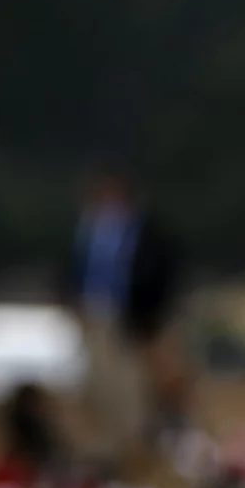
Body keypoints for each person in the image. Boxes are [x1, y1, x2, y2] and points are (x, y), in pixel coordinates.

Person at [63, 165, 185, 469]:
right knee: (98, 386)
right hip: (94, 315)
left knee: (131, 389)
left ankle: (136, 451)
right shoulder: (87, 230)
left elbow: (159, 272)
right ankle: (109, 450)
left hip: (131, 319)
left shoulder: (144, 230)